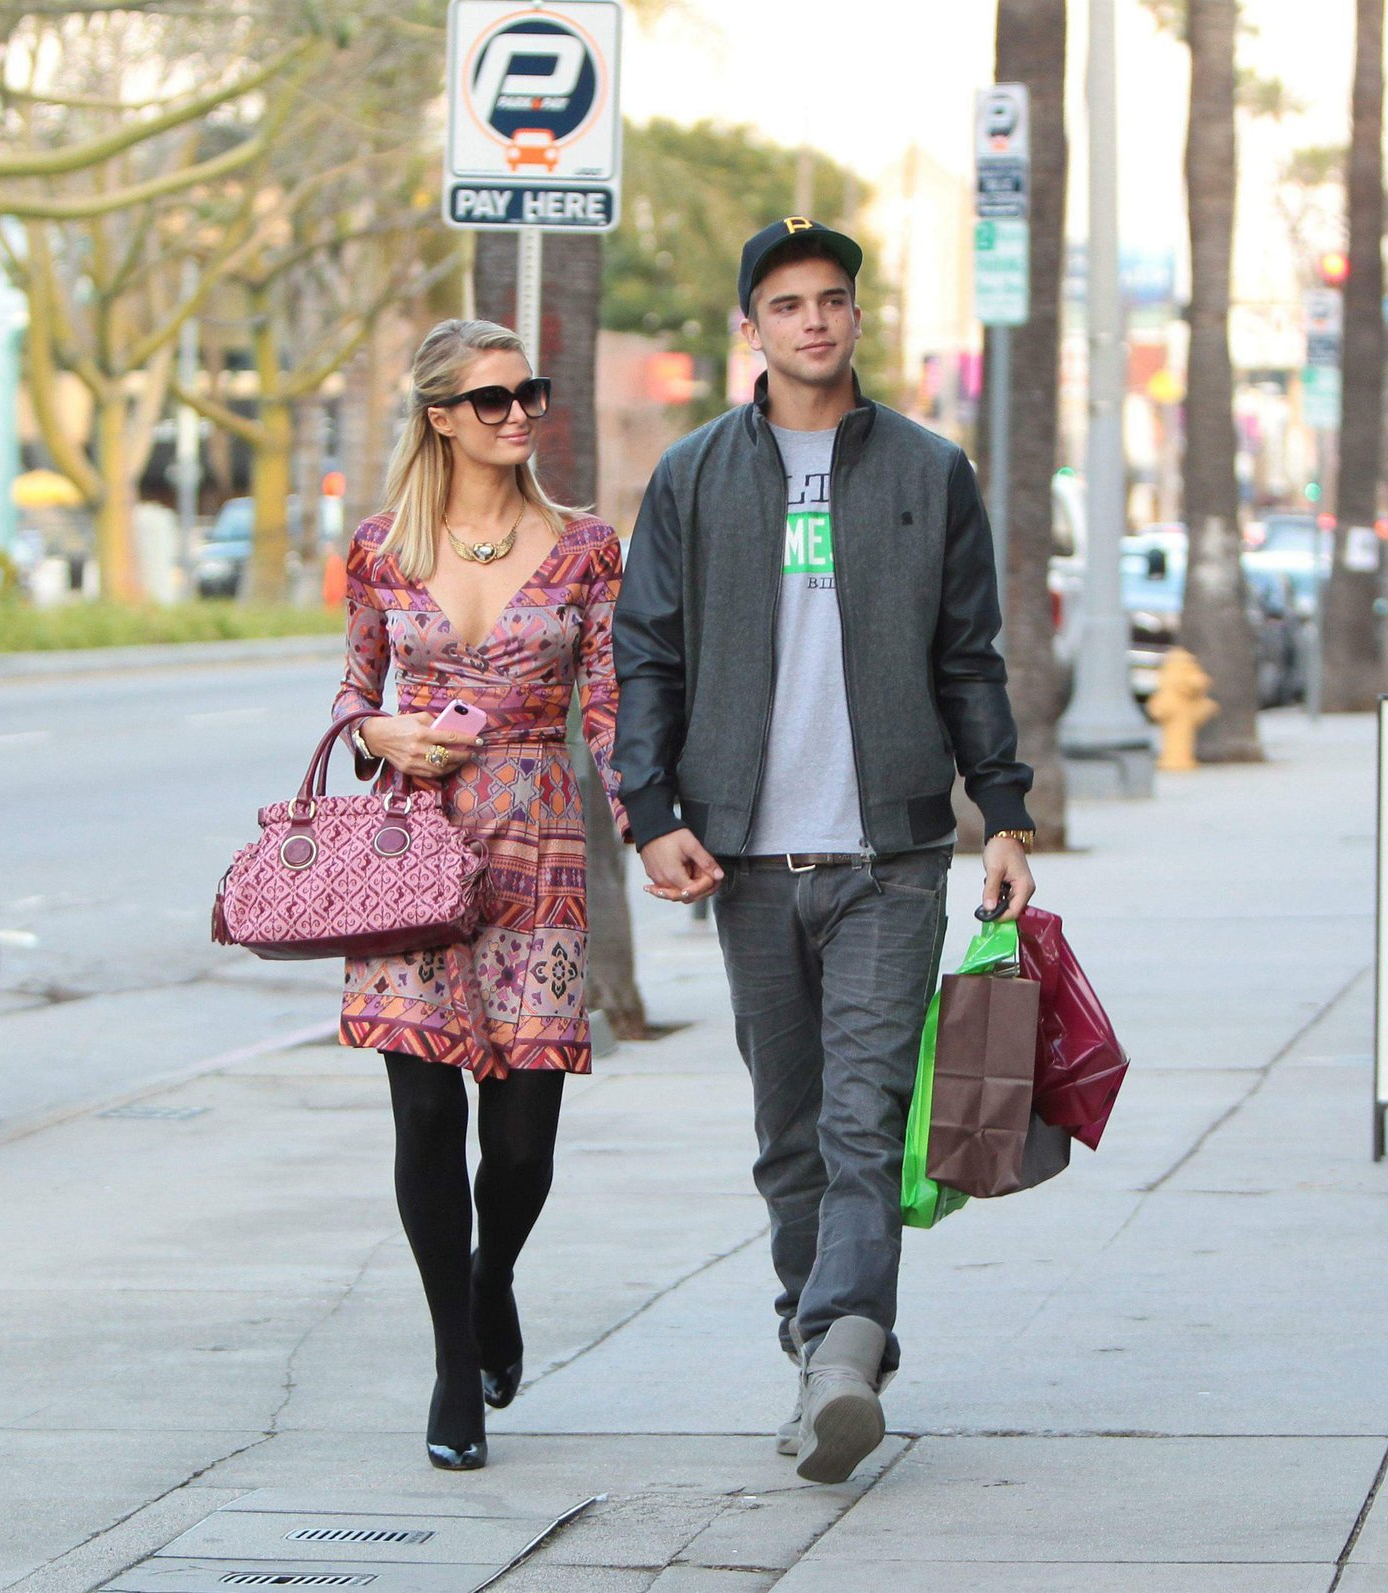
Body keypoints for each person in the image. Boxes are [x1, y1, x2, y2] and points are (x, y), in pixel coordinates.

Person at [612, 219, 1036, 1485]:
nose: (813, 321)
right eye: (787, 303)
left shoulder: (927, 468)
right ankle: (827, 1347)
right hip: (744, 863)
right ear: (751, 325)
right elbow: (647, 657)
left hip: (891, 858)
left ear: (857, 317)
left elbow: (969, 658)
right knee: (787, 1131)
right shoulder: (692, 477)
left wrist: (1001, 812)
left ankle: (844, 1361)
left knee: (864, 1124)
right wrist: (652, 813)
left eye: (833, 300)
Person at [332, 318, 628, 1471]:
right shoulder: (379, 548)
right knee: (422, 1118)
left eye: (529, 396)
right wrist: (379, 730)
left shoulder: (586, 546)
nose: (519, 416)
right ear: (440, 416)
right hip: (411, 847)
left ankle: (491, 1274)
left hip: (540, 846)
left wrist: (656, 829)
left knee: (520, 1140)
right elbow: (356, 687)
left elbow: (605, 706)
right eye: (494, 400)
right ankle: (455, 1364)